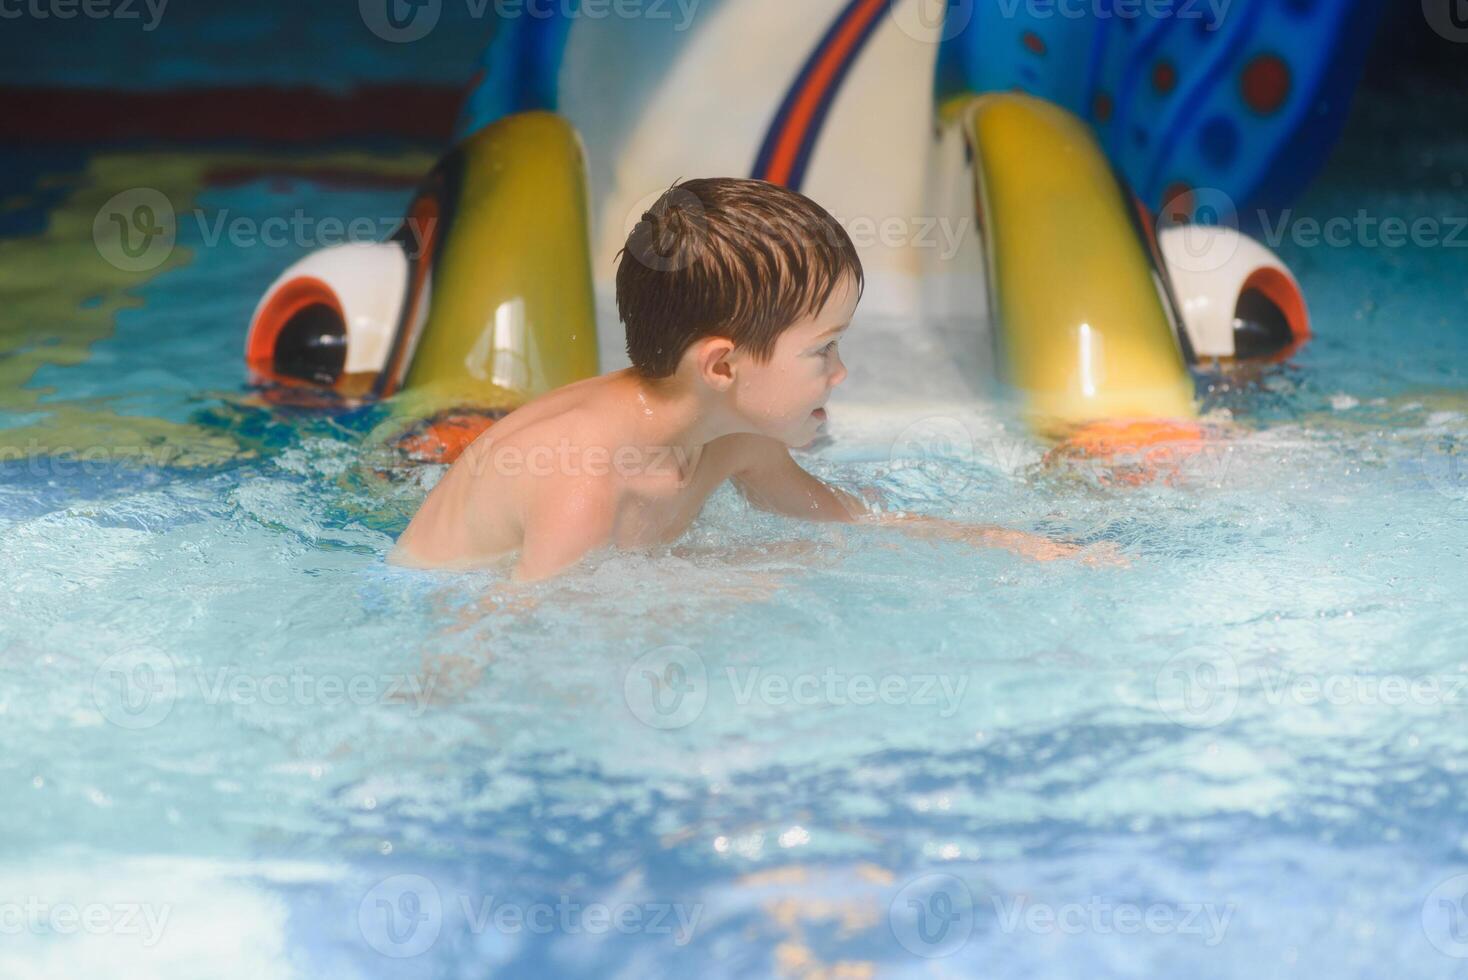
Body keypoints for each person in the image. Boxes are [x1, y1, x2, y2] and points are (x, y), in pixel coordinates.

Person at [392, 177, 1119, 579]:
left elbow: (851, 524)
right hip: (429, 601)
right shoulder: (584, 483)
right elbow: (512, 642)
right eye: (822, 350)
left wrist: (1015, 544)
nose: (841, 374)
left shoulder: (734, 437)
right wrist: (744, 578)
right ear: (722, 365)